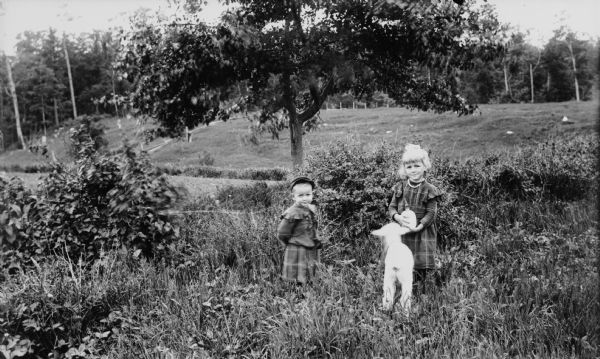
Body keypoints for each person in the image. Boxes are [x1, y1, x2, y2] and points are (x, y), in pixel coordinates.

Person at [388, 144, 442, 293]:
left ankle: (423, 291)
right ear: (404, 169)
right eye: (409, 167)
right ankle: (406, 290)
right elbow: (391, 207)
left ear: (425, 166)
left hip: (422, 232)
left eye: (417, 166)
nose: (413, 170)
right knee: (404, 262)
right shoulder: (400, 187)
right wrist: (397, 217)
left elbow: (431, 213)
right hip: (404, 232)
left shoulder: (429, 189)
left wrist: (420, 226)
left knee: (421, 263)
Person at [277, 176, 321, 285]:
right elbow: (282, 232)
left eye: (308, 195)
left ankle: (309, 287)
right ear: (293, 197)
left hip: (310, 245)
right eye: (300, 195)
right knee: (296, 273)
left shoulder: (309, 209)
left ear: (312, 194)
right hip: (297, 246)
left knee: (309, 270)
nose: (305, 198)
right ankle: (296, 290)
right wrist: (289, 243)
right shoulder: (292, 213)